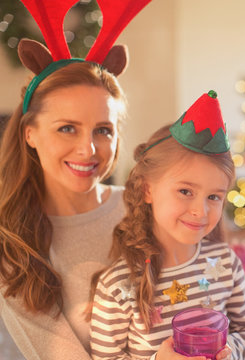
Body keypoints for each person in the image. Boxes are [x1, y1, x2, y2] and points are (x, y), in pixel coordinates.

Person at [0, 1, 152, 358]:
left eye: (103, 130)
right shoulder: (13, 242)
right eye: (67, 128)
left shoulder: (144, 210)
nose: (88, 149)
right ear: (29, 134)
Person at [89, 91, 245, 360]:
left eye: (214, 197)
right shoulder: (118, 285)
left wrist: (232, 353)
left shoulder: (225, 263)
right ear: (148, 190)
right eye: (185, 191)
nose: (200, 211)